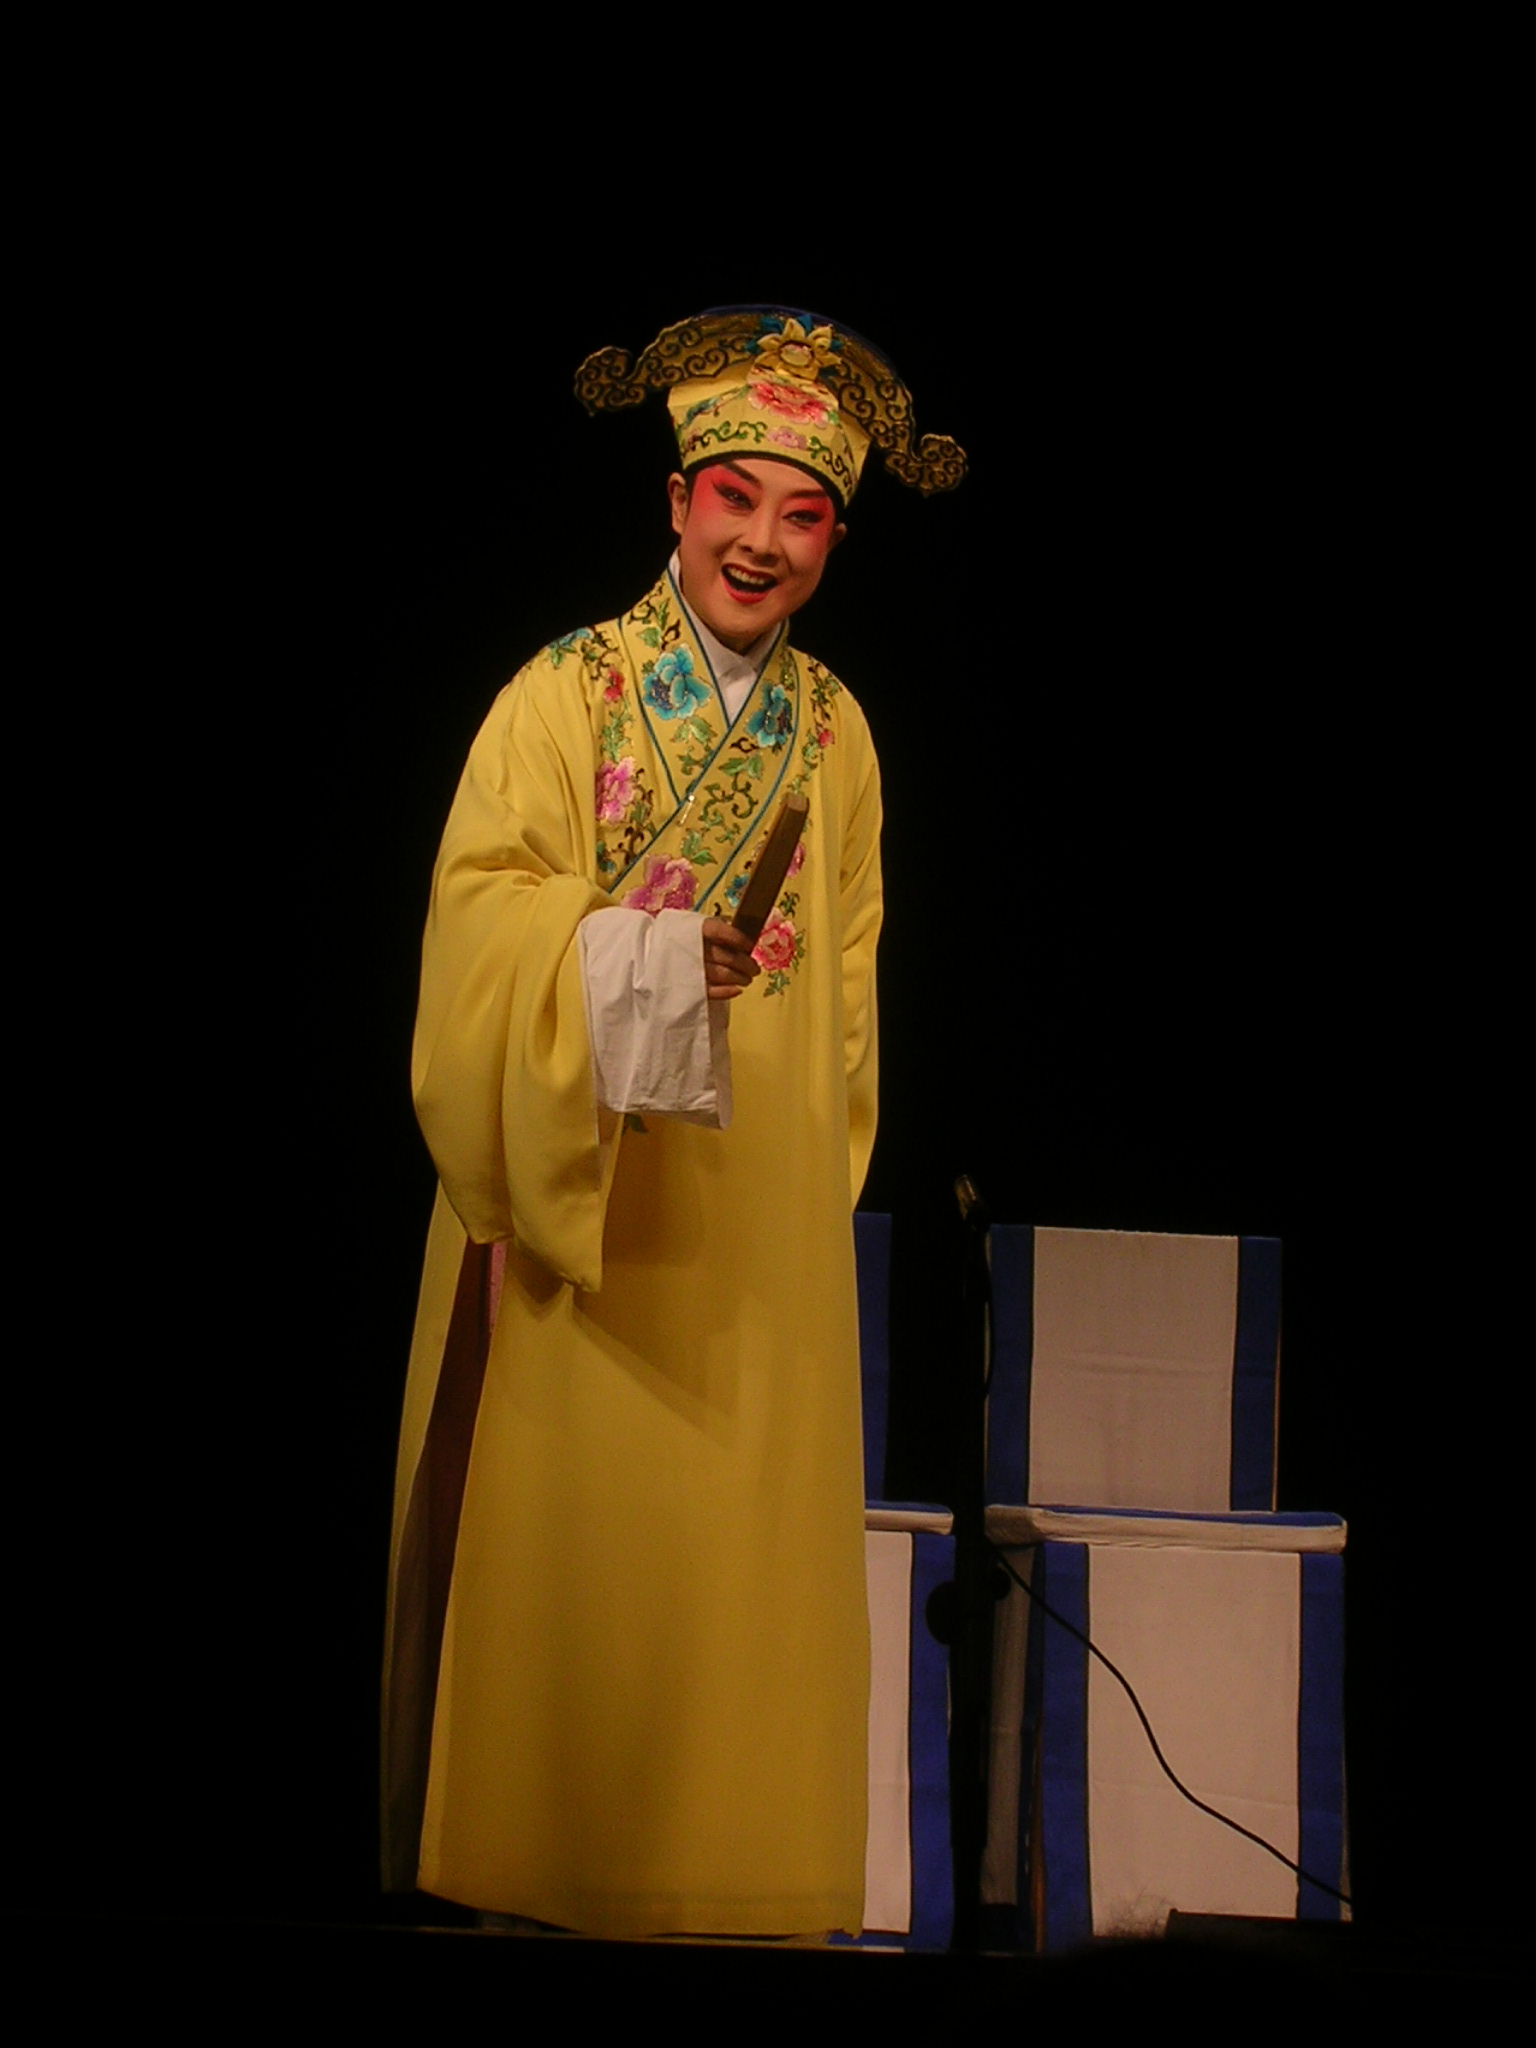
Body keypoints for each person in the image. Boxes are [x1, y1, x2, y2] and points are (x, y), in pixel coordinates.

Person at [381, 308, 964, 1940]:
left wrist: (800, 1196)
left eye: (804, 514)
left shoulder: (837, 733)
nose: (762, 543)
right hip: (579, 1196)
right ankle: (538, 1878)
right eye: (735, 500)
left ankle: (739, 1892)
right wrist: (623, 960)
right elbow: (475, 924)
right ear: (676, 502)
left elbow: (846, 1004)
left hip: (750, 1223)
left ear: (834, 538)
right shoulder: (563, 694)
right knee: (577, 1577)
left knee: (736, 1591)